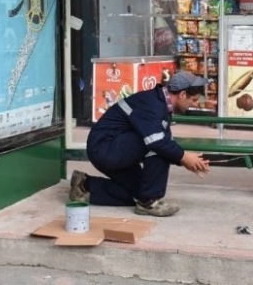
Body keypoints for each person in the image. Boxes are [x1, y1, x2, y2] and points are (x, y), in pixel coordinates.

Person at [70, 71, 210, 217]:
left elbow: (164, 141)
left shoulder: (160, 103)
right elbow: (158, 142)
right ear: (182, 94)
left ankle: (84, 186)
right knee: (158, 145)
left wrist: (185, 160)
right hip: (105, 148)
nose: (193, 104)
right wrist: (183, 157)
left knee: (140, 191)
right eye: (193, 100)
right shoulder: (152, 104)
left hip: (112, 148)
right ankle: (149, 203)